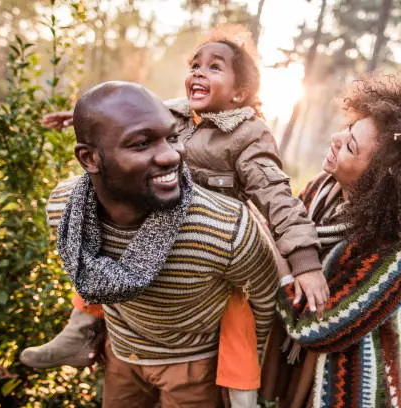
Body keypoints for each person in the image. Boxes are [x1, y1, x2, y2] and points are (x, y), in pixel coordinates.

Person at [22, 26, 326, 407]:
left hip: (211, 238)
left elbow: (276, 196)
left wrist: (304, 260)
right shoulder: (177, 113)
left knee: (237, 319)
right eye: (195, 64)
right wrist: (81, 118)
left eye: (215, 67)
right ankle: (78, 330)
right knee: (95, 242)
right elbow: (121, 122)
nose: (198, 72)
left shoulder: (248, 135)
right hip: (155, 216)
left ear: (239, 94)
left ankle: (242, 391)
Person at [41, 81, 280, 407]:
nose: (172, 155)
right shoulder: (63, 209)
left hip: (194, 367)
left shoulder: (225, 227)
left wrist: (239, 372)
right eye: (141, 144)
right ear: (90, 158)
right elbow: (90, 273)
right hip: (122, 355)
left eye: (171, 137)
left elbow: (263, 302)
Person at [258, 73, 401, 408]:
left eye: (350, 146)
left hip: (336, 375)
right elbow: (277, 226)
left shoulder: (395, 254)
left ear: (377, 183)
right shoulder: (322, 189)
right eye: (348, 128)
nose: (336, 138)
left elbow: (319, 329)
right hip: (288, 364)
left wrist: (284, 265)